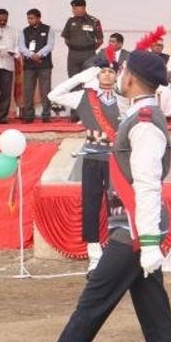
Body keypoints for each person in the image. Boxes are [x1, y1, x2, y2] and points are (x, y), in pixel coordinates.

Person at [54, 50, 171, 342]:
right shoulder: (137, 113)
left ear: (132, 79)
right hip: (135, 226)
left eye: (122, 71)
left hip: (133, 231)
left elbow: (148, 185)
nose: (119, 75)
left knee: (90, 306)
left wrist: (148, 244)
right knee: (155, 313)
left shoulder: (145, 122)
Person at [49, 53, 124, 273]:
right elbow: (53, 94)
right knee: (91, 206)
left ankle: (115, 251)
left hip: (116, 160)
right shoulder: (84, 96)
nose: (107, 75)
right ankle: (94, 254)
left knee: (116, 206)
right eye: (103, 71)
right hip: (92, 158)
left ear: (117, 74)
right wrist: (82, 76)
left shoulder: (124, 98)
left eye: (111, 71)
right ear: (97, 74)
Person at [19, 8, 54, 122]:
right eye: (28, 18)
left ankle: (46, 114)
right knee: (28, 91)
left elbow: (50, 45)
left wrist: (39, 54)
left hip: (45, 65)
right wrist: (31, 55)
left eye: (32, 18)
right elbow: (21, 47)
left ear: (39, 18)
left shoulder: (48, 29)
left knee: (45, 90)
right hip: (29, 65)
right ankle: (28, 115)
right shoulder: (24, 31)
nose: (29, 20)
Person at [59, 0, 104, 79]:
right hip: (73, 54)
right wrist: (75, 47)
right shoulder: (71, 21)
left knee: (89, 78)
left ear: (83, 8)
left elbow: (100, 40)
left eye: (74, 8)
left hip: (89, 54)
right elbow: (66, 39)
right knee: (73, 79)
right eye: (73, 8)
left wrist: (89, 49)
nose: (73, 10)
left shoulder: (94, 21)